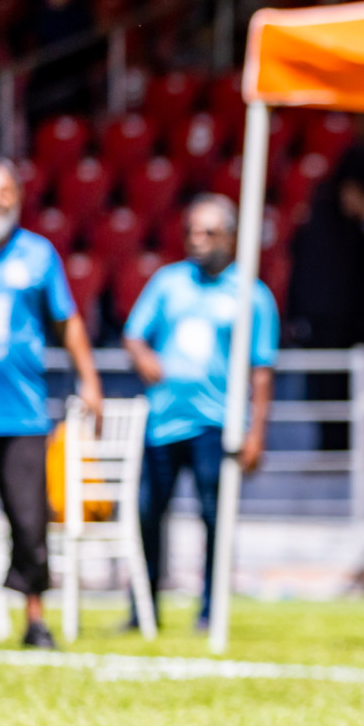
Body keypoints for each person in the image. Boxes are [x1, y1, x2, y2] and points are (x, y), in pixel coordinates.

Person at [0, 154, 103, 648]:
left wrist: (90, 379)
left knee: (29, 522)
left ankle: (35, 618)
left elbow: (67, 322)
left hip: (21, 412)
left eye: (6, 192)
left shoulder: (39, 255)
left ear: (18, 199)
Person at [123, 194, 279, 632]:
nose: (199, 240)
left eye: (209, 232)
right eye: (192, 231)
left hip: (217, 425)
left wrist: (256, 433)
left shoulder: (252, 294)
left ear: (230, 237)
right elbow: (134, 334)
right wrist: (144, 358)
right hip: (163, 422)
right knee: (149, 513)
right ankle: (143, 608)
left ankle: (211, 609)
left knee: (215, 518)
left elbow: (261, 371)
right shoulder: (168, 282)